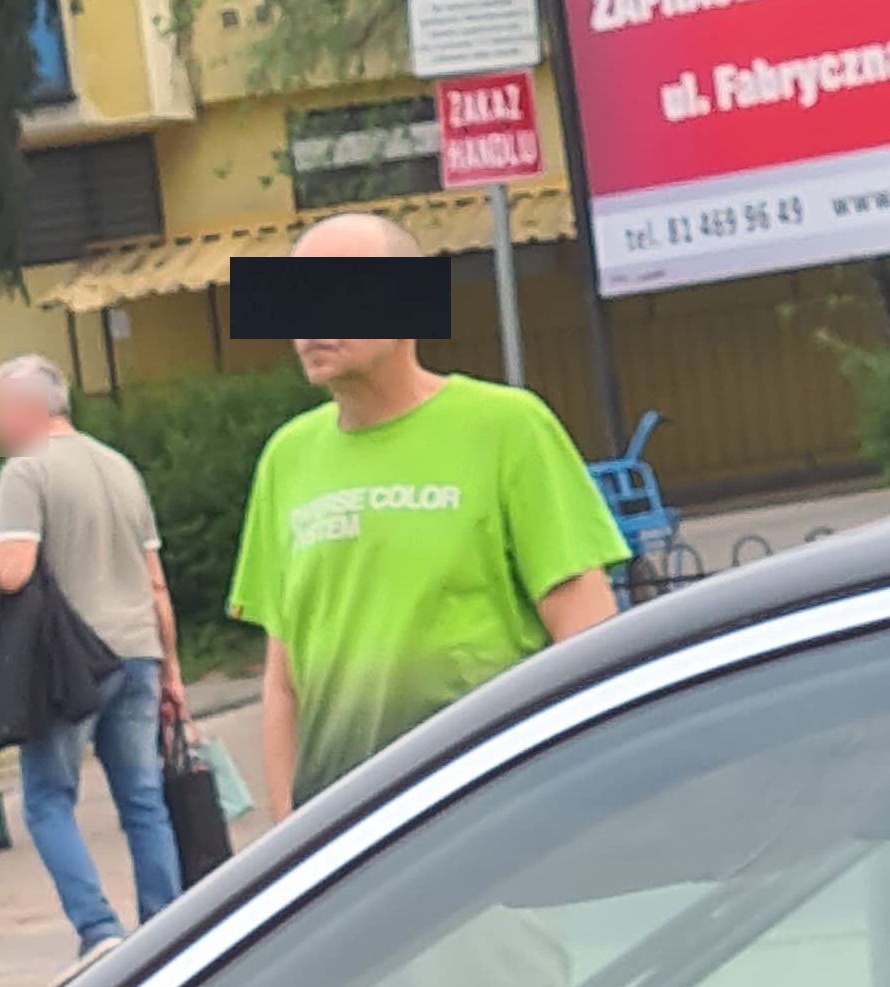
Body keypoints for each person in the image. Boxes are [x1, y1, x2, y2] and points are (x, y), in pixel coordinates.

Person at [228, 211, 629, 818]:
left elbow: (586, 630)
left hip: (491, 805)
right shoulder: (287, 458)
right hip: (344, 828)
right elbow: (283, 679)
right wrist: (287, 829)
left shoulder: (506, 427)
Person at [0, 354, 185, 968]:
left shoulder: (25, 471)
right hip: (139, 649)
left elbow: (12, 572)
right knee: (143, 800)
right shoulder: (119, 467)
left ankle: (99, 930)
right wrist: (171, 670)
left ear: (26, 410)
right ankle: (168, 925)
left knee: (47, 797)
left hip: (69, 663)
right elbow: (156, 582)